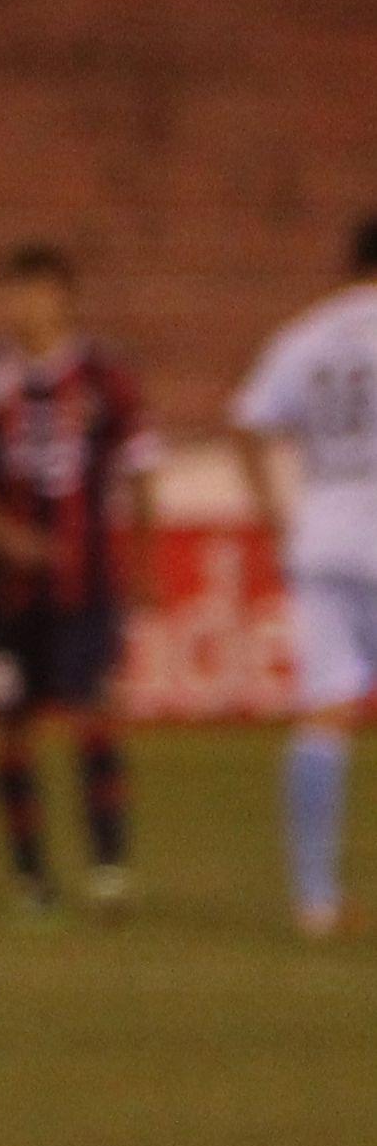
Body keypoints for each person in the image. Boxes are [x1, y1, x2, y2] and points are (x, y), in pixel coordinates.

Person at [0, 246, 160, 917]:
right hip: (4, 591)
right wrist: (8, 537)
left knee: (96, 714)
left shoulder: (106, 377)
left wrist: (145, 564)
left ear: (61, 295)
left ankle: (108, 869)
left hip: (87, 584)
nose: (15, 306)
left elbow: (141, 471)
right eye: (8, 292)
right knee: (9, 727)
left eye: (29, 291)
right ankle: (31, 879)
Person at [232, 214, 377, 940]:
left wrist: (276, 517)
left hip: (322, 534)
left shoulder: (308, 336)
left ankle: (316, 900)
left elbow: (248, 421)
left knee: (324, 710)